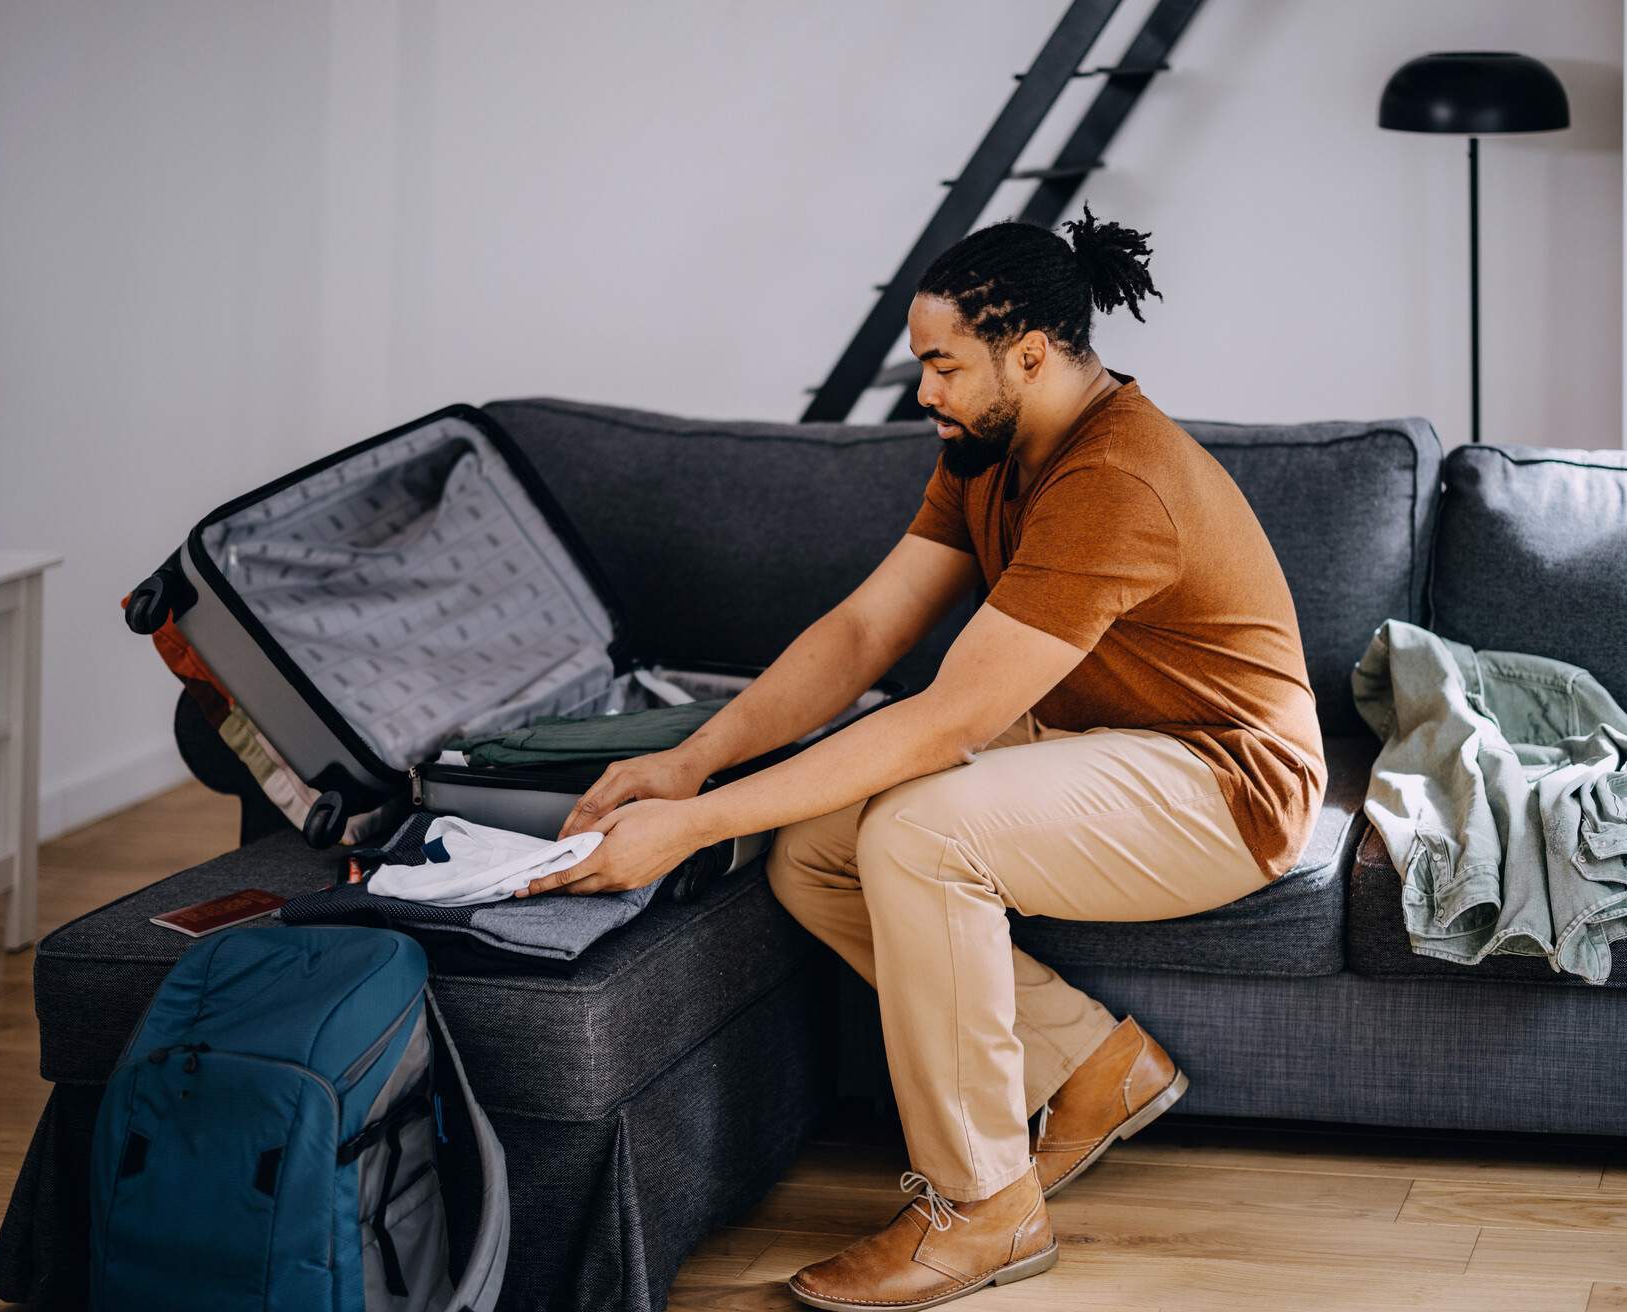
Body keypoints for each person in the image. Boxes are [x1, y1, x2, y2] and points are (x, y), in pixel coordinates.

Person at [516, 204, 1326, 1311]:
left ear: (1029, 354)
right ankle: (1090, 1067)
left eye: (941, 365)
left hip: (1226, 780)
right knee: (816, 848)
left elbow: (945, 722)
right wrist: (690, 763)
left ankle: (984, 1210)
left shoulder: (1114, 478)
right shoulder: (989, 447)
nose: (925, 393)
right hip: (1107, 734)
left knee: (920, 828)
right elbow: (866, 632)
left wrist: (695, 827)